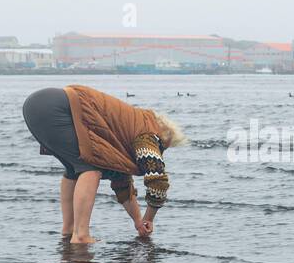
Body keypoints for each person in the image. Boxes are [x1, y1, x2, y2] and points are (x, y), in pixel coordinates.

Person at [22, 85, 186, 242]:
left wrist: (138, 222)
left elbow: (122, 183)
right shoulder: (148, 133)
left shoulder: (127, 130)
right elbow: (157, 181)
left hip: (37, 105)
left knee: (73, 169)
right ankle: (81, 235)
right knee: (91, 167)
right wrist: (149, 218)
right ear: (163, 136)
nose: (160, 152)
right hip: (57, 108)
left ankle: (69, 230)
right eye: (163, 147)